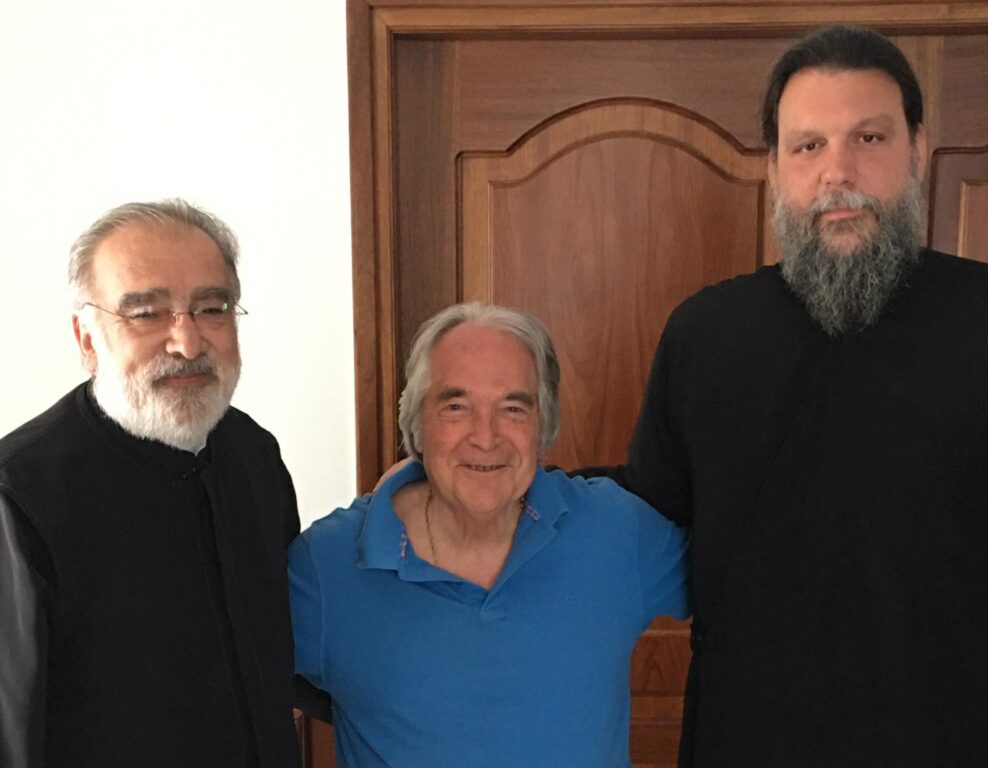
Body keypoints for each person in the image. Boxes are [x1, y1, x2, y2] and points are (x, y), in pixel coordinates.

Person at [602, 24, 988, 767]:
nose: (838, 172)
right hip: (749, 744)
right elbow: (642, 522)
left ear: (917, 150)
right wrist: (475, 492)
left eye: (869, 138)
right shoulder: (704, 336)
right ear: (775, 168)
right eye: (808, 146)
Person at [289, 302, 689, 767]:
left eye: (513, 408)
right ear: (417, 424)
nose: (485, 437)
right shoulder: (327, 566)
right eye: (456, 407)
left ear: (544, 425)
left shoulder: (615, 530)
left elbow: (741, 587)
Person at [0, 200, 301, 767]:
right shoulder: (20, 495)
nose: (187, 342)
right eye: (145, 314)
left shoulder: (253, 454)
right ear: (87, 339)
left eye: (211, 308)